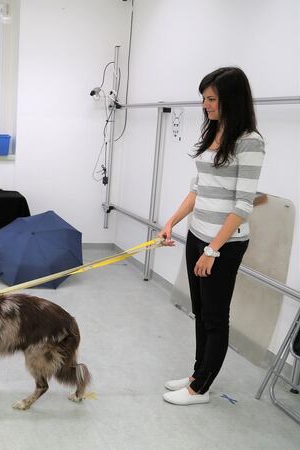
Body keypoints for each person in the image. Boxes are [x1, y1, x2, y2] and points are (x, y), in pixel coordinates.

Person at [158, 67, 265, 405]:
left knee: (216, 317)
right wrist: (173, 220)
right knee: (201, 312)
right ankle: (197, 373)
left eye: (211, 99)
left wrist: (213, 250)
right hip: (198, 235)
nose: (205, 105)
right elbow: (200, 188)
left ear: (231, 99)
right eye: (204, 98)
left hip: (224, 244)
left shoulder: (250, 142)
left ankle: (200, 389)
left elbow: (243, 205)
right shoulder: (214, 133)